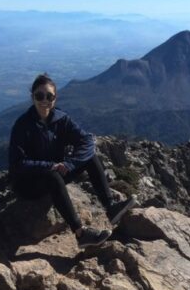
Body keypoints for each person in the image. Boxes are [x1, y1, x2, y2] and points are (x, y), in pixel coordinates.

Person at [8, 73, 135, 249]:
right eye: (39, 96)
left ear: (55, 98)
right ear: (32, 97)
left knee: (91, 157)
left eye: (49, 96)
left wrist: (70, 164)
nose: (44, 100)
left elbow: (87, 141)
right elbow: (17, 163)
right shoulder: (23, 125)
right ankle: (80, 233)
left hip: (55, 174)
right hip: (28, 183)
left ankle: (111, 207)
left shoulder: (61, 120)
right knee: (53, 176)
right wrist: (50, 166)